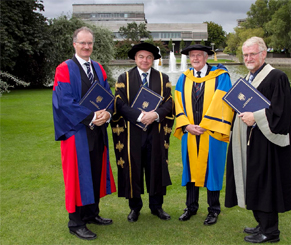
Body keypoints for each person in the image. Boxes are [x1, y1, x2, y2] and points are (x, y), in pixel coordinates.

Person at [225, 36, 291, 243]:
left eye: (252, 54)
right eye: (245, 55)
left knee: (266, 184)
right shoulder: (249, 78)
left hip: (268, 144)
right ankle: (261, 224)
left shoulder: (276, 77)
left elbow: (281, 113)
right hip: (252, 140)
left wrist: (256, 117)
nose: (248, 58)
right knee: (254, 181)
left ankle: (271, 232)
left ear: (263, 53)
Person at [52, 26, 116, 240]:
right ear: (75, 44)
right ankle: (76, 222)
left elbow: (108, 95)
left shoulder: (98, 68)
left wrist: (107, 113)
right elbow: (64, 103)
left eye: (90, 43)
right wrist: (92, 117)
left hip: (97, 132)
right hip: (76, 132)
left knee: (95, 172)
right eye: (83, 43)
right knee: (77, 177)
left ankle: (91, 213)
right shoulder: (64, 69)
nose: (87, 46)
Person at [111, 42, 174, 223]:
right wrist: (140, 116)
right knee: (133, 168)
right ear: (135, 58)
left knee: (156, 167)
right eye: (141, 56)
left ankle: (157, 207)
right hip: (132, 133)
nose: (145, 60)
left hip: (155, 132)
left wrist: (154, 114)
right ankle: (135, 207)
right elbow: (119, 103)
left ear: (153, 59)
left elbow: (169, 102)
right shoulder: (124, 78)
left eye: (148, 57)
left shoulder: (163, 78)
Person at [174, 44, 234, 225]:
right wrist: (185, 125)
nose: (195, 58)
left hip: (213, 133)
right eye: (192, 55)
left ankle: (213, 210)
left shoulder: (221, 77)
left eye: (199, 55)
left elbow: (222, 103)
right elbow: (178, 102)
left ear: (207, 57)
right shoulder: (184, 78)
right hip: (190, 133)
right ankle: (190, 207)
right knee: (190, 169)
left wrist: (207, 125)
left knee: (212, 170)